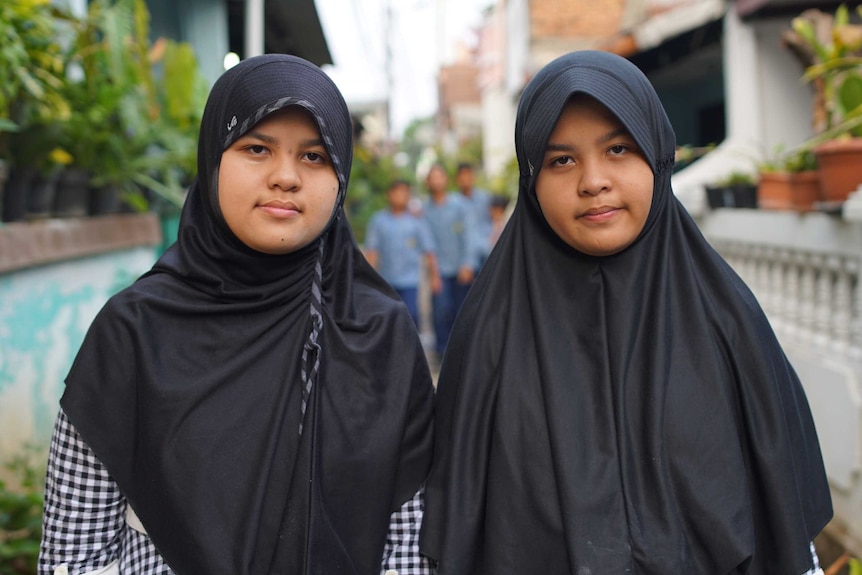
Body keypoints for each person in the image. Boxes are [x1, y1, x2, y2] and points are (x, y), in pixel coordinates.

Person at [420, 50, 832, 574]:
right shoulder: (487, 339)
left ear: (657, 157)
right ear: (531, 179)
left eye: (619, 148)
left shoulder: (729, 326)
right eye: (561, 159)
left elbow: (784, 529)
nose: (593, 181)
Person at [38, 54, 435, 575]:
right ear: (213, 161)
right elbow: (74, 551)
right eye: (256, 148)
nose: (286, 177)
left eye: (315, 157)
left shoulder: (378, 334)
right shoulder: (135, 332)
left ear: (341, 178)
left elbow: (409, 537)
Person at [365, 178, 442, 328]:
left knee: (410, 317)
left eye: (405, 193)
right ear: (390, 194)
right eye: (397, 192)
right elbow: (372, 252)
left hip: (410, 281)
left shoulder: (417, 222)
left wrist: (435, 276)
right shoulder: (379, 221)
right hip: (387, 280)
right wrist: (368, 280)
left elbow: (429, 251)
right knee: (388, 319)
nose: (401, 196)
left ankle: (411, 350)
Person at [422, 162, 477, 360]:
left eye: (440, 176)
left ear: (446, 179)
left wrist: (468, 264)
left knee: (462, 310)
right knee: (440, 310)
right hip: (440, 270)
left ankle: (462, 352)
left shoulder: (459, 205)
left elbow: (469, 235)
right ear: (427, 182)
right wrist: (433, 272)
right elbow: (426, 241)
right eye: (432, 177)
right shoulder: (424, 210)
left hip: (461, 267)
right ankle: (442, 351)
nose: (436, 180)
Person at [454, 162, 492, 269]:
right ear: (458, 179)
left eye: (468, 175)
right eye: (462, 175)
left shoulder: (485, 198)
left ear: (473, 177)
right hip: (464, 258)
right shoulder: (453, 202)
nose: (466, 178)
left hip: (486, 251)